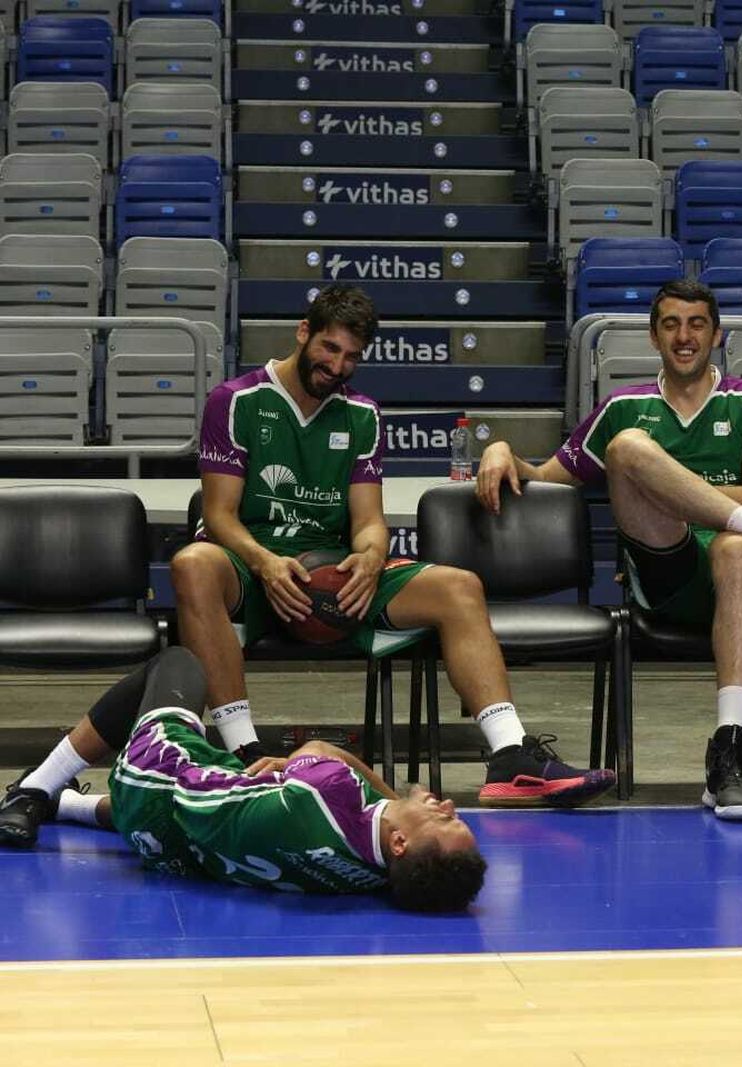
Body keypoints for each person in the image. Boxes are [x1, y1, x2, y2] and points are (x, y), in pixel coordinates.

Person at [172, 285, 615, 809]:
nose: (338, 367)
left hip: (331, 569)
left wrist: (369, 557)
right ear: (303, 333)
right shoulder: (236, 401)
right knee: (192, 562)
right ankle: (245, 756)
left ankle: (511, 757)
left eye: (352, 357)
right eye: (330, 349)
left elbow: (369, 522)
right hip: (252, 564)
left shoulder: (361, 415)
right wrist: (265, 562)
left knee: (459, 586)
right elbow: (218, 515)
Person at [476, 280, 742, 821]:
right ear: (653, 338)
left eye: (696, 324)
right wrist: (502, 446)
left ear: (716, 335)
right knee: (627, 448)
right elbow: (548, 476)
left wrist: (662, 485)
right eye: (670, 324)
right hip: (666, 570)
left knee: (739, 546)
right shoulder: (624, 407)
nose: (684, 336)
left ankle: (730, 754)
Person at [0, 648, 485, 912]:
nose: (448, 807)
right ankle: (66, 805)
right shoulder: (375, 880)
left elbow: (320, 752)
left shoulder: (328, 791)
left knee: (179, 664)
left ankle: (36, 787)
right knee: (227, 794)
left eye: (441, 821)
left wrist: (401, 795)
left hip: (152, 778)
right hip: (172, 852)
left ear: (400, 842)